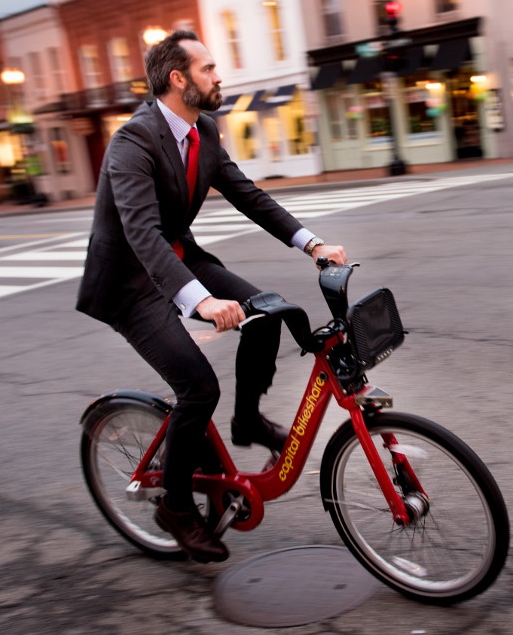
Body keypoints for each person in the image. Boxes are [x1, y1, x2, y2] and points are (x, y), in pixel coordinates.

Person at [76, 30, 347, 563]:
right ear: (179, 79)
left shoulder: (203, 130)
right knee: (197, 388)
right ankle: (175, 507)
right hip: (131, 283)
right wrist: (198, 300)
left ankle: (246, 421)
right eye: (209, 68)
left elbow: (249, 195)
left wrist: (311, 243)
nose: (219, 76)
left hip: (178, 258)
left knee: (268, 312)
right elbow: (140, 233)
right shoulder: (132, 142)